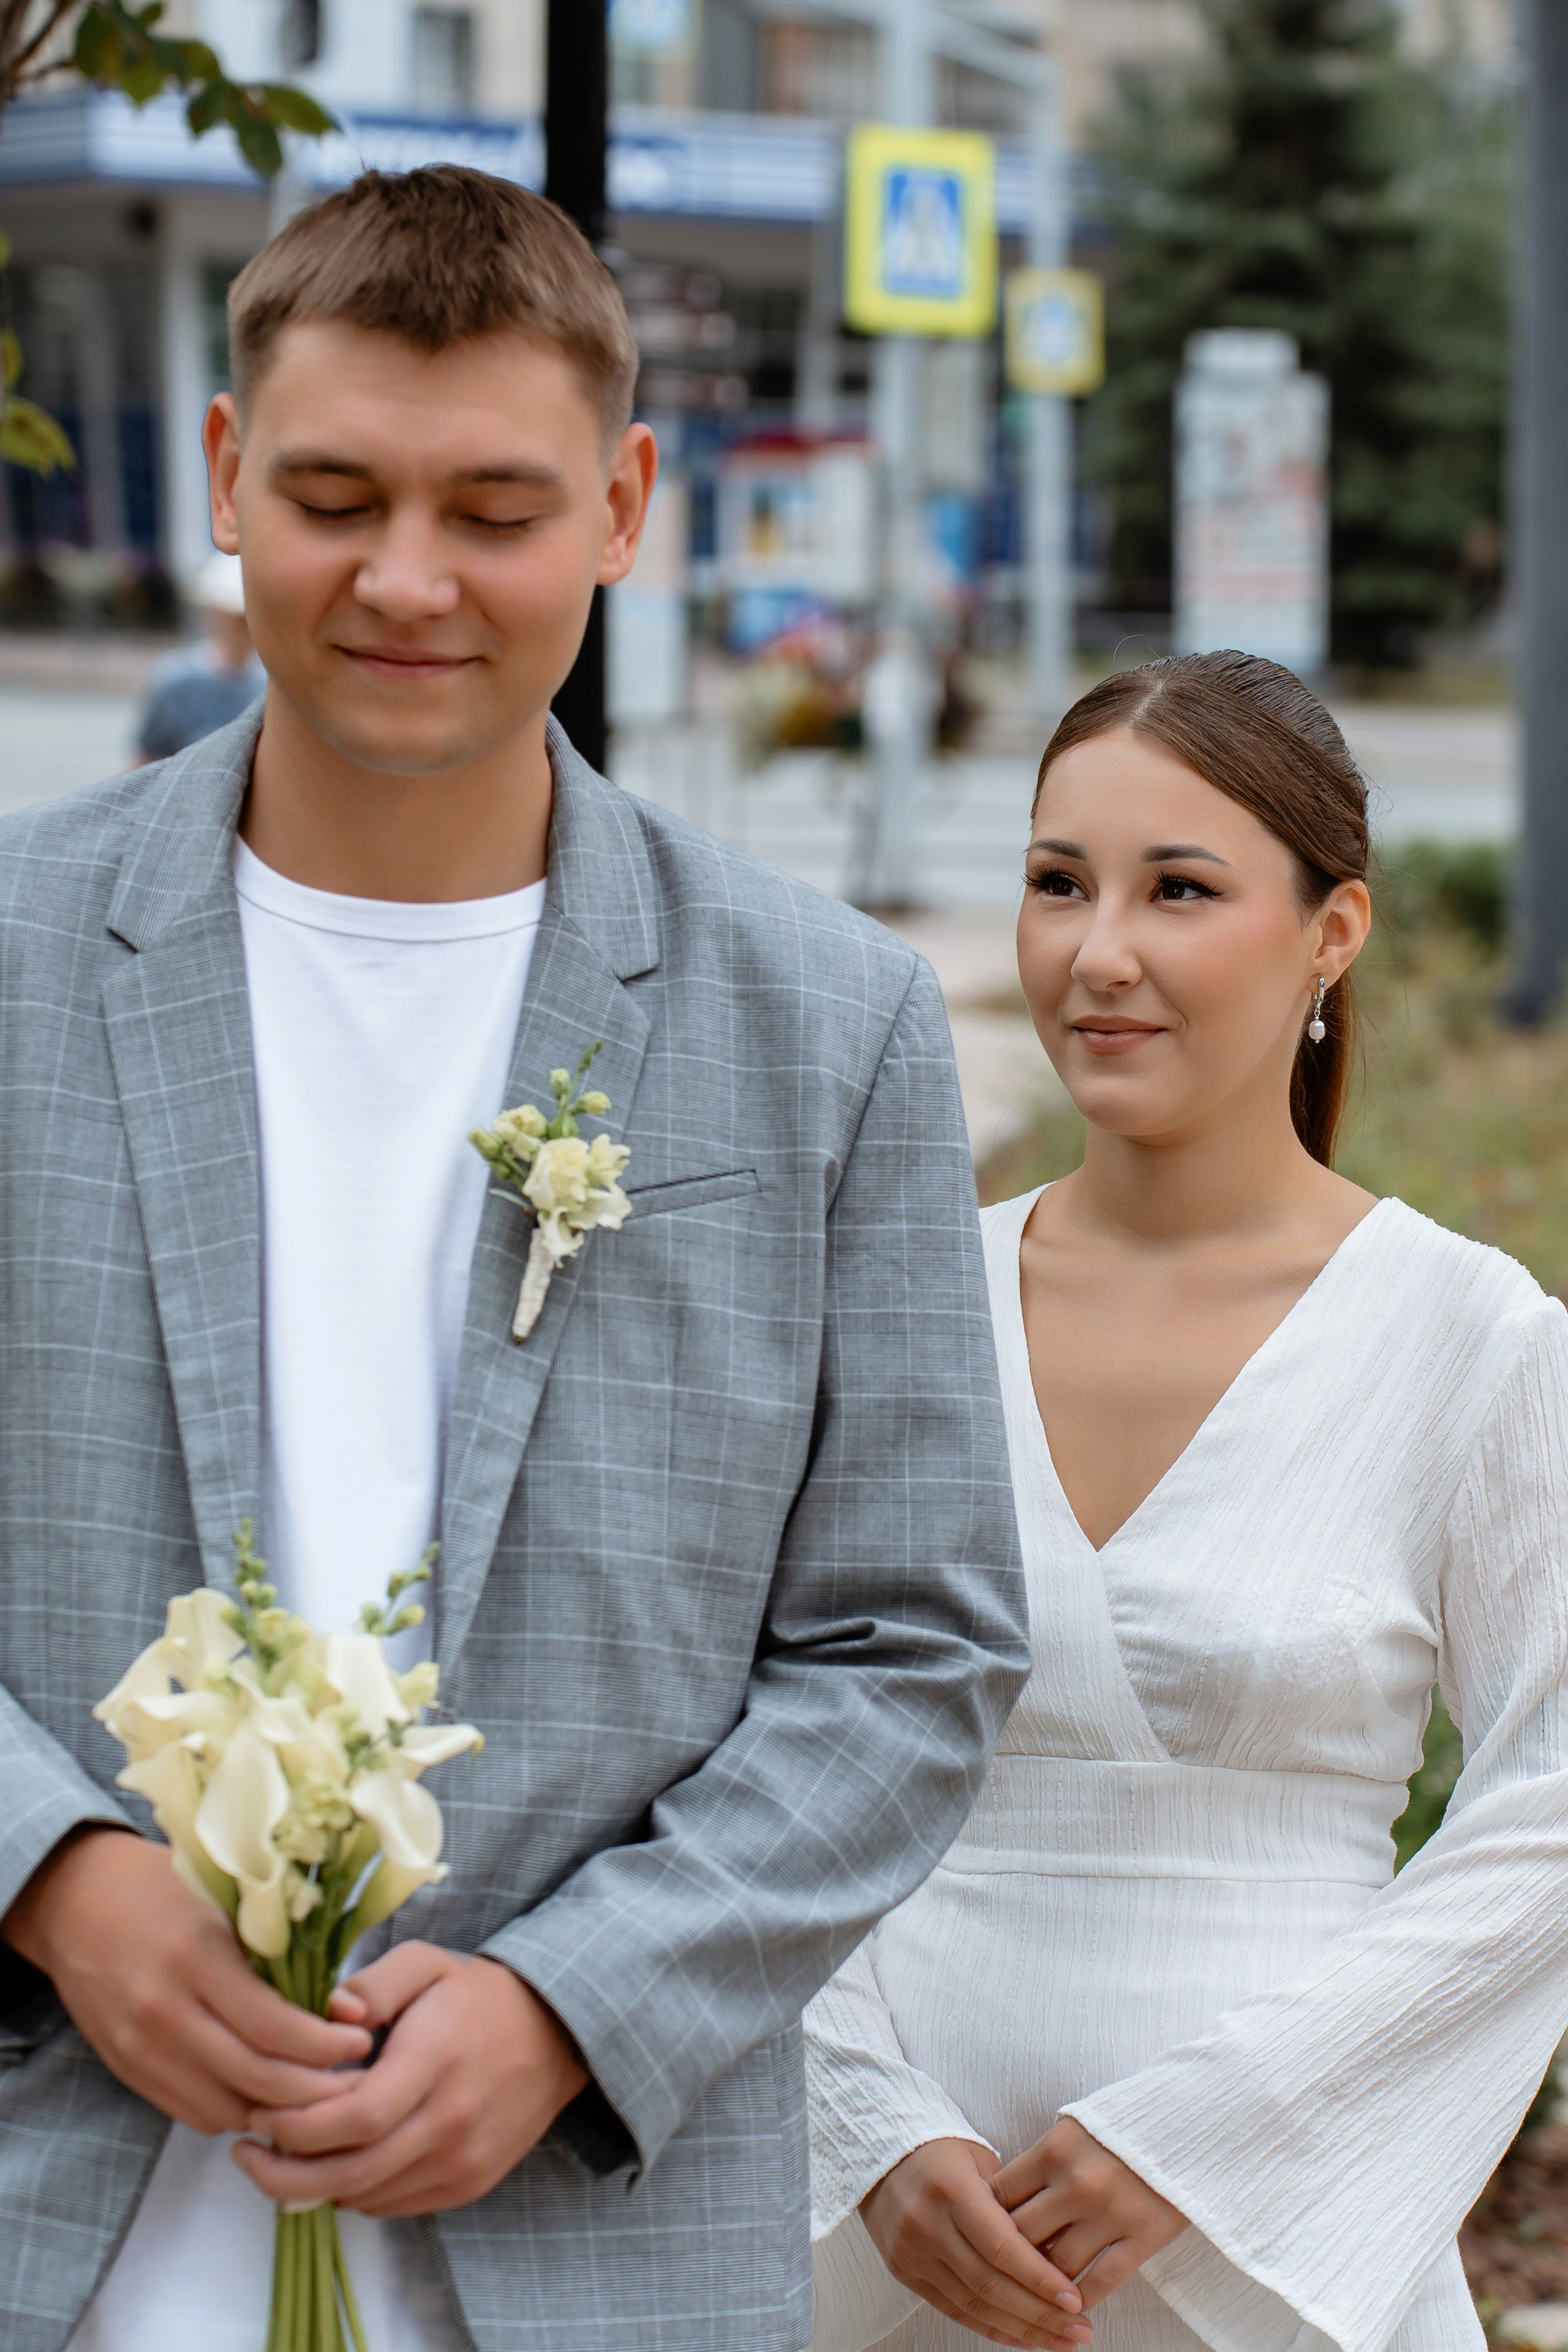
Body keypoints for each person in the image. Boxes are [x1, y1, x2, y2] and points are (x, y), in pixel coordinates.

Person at [0, 167, 1045, 2352]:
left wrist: (582, 2002)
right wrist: (48, 1875)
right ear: (219, 475)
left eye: (493, 507)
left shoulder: (821, 1017)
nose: (405, 578)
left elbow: (908, 1646)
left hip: (596, 2251)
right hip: (57, 2205)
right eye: (332, 493)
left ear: (621, 502)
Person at [805, 651, 1568, 2352]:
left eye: (1181, 891)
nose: (1101, 955)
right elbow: (739, 1733)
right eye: (1057, 883)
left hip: (1279, 2255)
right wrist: (862, 2124)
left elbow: (1554, 1805)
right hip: (888, 2241)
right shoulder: (891, 1305)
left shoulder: (1470, 1339)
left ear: (1333, 934)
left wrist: (1206, 2143)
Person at [134, 549, 266, 762]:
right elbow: (148, 758)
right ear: (212, 613)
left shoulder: (272, 682)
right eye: (236, 617)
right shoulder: (175, 679)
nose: (243, 626)